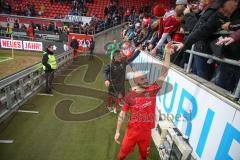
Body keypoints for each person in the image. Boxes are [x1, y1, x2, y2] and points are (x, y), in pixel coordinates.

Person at [114, 43, 174, 160]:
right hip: (131, 133)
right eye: (142, 78)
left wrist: (167, 53)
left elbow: (164, 73)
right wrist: (117, 131)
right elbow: (122, 114)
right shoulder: (130, 96)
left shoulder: (153, 89)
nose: (146, 79)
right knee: (122, 155)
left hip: (146, 133)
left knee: (144, 156)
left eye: (145, 77)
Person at [104, 47, 141, 114]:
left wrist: (138, 51)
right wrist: (106, 79)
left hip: (121, 83)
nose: (120, 57)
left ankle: (120, 101)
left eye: (120, 56)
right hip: (113, 84)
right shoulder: (110, 65)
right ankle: (109, 106)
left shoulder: (123, 62)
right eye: (118, 56)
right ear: (114, 57)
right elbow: (105, 72)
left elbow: (131, 58)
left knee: (121, 94)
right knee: (111, 95)